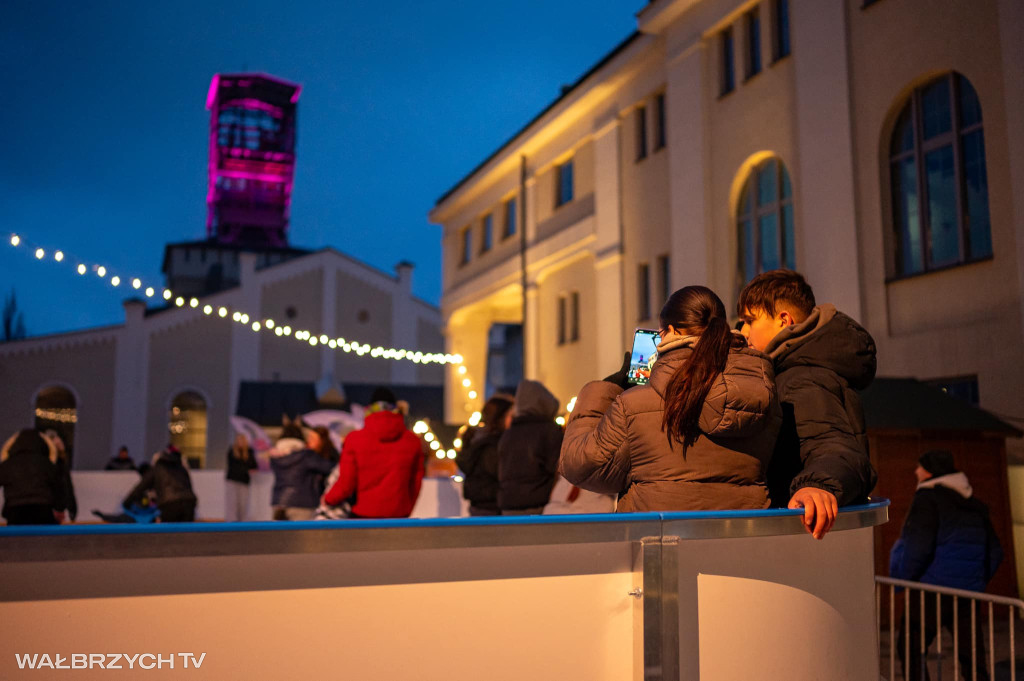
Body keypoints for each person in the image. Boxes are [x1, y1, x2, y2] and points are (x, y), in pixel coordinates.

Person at [561, 285, 781, 512]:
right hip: (741, 538)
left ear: (670, 332)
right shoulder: (764, 393)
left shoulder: (634, 405)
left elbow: (582, 467)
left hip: (661, 541)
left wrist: (607, 389)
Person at [737, 269, 878, 539]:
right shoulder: (794, 371)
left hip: (797, 538)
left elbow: (834, 446)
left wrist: (816, 486)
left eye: (749, 321)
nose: (744, 331)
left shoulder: (803, 379)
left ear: (783, 320)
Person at [890, 450, 1003, 681]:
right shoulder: (972, 504)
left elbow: (918, 547)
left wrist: (904, 579)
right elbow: (996, 552)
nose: (915, 471)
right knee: (972, 655)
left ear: (930, 471)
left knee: (910, 647)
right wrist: (975, 581)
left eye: (919, 467)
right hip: (966, 593)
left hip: (932, 590)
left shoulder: (927, 499)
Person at [322, 388, 424, 519]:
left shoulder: (354, 439)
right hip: (399, 515)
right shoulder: (412, 441)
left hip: (363, 515)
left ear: (370, 409)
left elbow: (346, 483)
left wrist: (328, 499)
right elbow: (416, 483)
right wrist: (407, 508)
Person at [498, 379, 564, 515]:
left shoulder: (508, 434)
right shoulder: (549, 431)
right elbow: (559, 468)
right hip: (539, 505)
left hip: (508, 505)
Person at [456, 394, 514, 516]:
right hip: (493, 507)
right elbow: (500, 474)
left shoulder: (477, 439)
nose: (513, 420)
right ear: (500, 417)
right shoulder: (492, 445)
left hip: (480, 505)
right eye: (510, 415)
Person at [269, 421, 336, 521]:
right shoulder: (306, 455)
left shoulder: (275, 457)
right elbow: (330, 468)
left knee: (280, 536)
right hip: (302, 503)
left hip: (278, 503)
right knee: (301, 536)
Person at [0, 429, 62, 525]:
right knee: (46, 539)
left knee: (15, 540)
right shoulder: (46, 463)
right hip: (43, 510)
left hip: (14, 511)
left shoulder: (7, 464)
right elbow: (59, 487)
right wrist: (59, 508)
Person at [123, 444, 198, 522]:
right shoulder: (181, 468)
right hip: (189, 503)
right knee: (187, 533)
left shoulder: (157, 469)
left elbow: (140, 487)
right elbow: (189, 486)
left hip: (169, 504)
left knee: (169, 533)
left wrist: (126, 502)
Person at [44, 430, 77, 523]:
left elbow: (67, 486)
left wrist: (71, 508)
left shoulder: (61, 464)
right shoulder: (47, 464)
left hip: (55, 507)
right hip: (49, 507)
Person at [224, 433, 257, 521]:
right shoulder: (232, 452)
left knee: (243, 504)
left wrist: (246, 469)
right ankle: (231, 523)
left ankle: (242, 523)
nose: (240, 442)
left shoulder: (249, 452)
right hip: (233, 480)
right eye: (238, 440)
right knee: (232, 503)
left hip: (244, 481)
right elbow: (233, 467)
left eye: (242, 440)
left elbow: (254, 466)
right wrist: (245, 469)